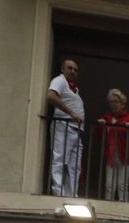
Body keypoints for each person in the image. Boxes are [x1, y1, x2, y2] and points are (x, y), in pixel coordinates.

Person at [47, 59, 85, 197]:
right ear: (62, 69)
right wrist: (71, 113)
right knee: (60, 159)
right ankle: (58, 192)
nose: (73, 71)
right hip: (64, 126)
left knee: (74, 166)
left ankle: (71, 194)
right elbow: (51, 96)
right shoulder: (59, 81)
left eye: (75, 69)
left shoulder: (74, 88)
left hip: (76, 130)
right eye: (69, 68)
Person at [96, 89, 129, 202]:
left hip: (125, 157)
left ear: (123, 104)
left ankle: (123, 209)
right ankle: (108, 208)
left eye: (116, 101)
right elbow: (98, 136)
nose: (114, 104)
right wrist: (100, 126)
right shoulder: (107, 118)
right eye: (111, 102)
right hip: (111, 157)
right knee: (109, 185)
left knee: (122, 185)